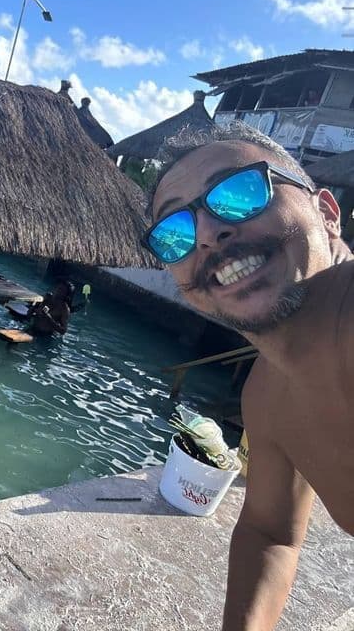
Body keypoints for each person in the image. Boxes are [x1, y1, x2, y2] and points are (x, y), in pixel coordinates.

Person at [145, 122, 352, 631]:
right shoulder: (265, 395)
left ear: (326, 213)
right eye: (175, 234)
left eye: (240, 193)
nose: (209, 235)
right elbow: (271, 531)